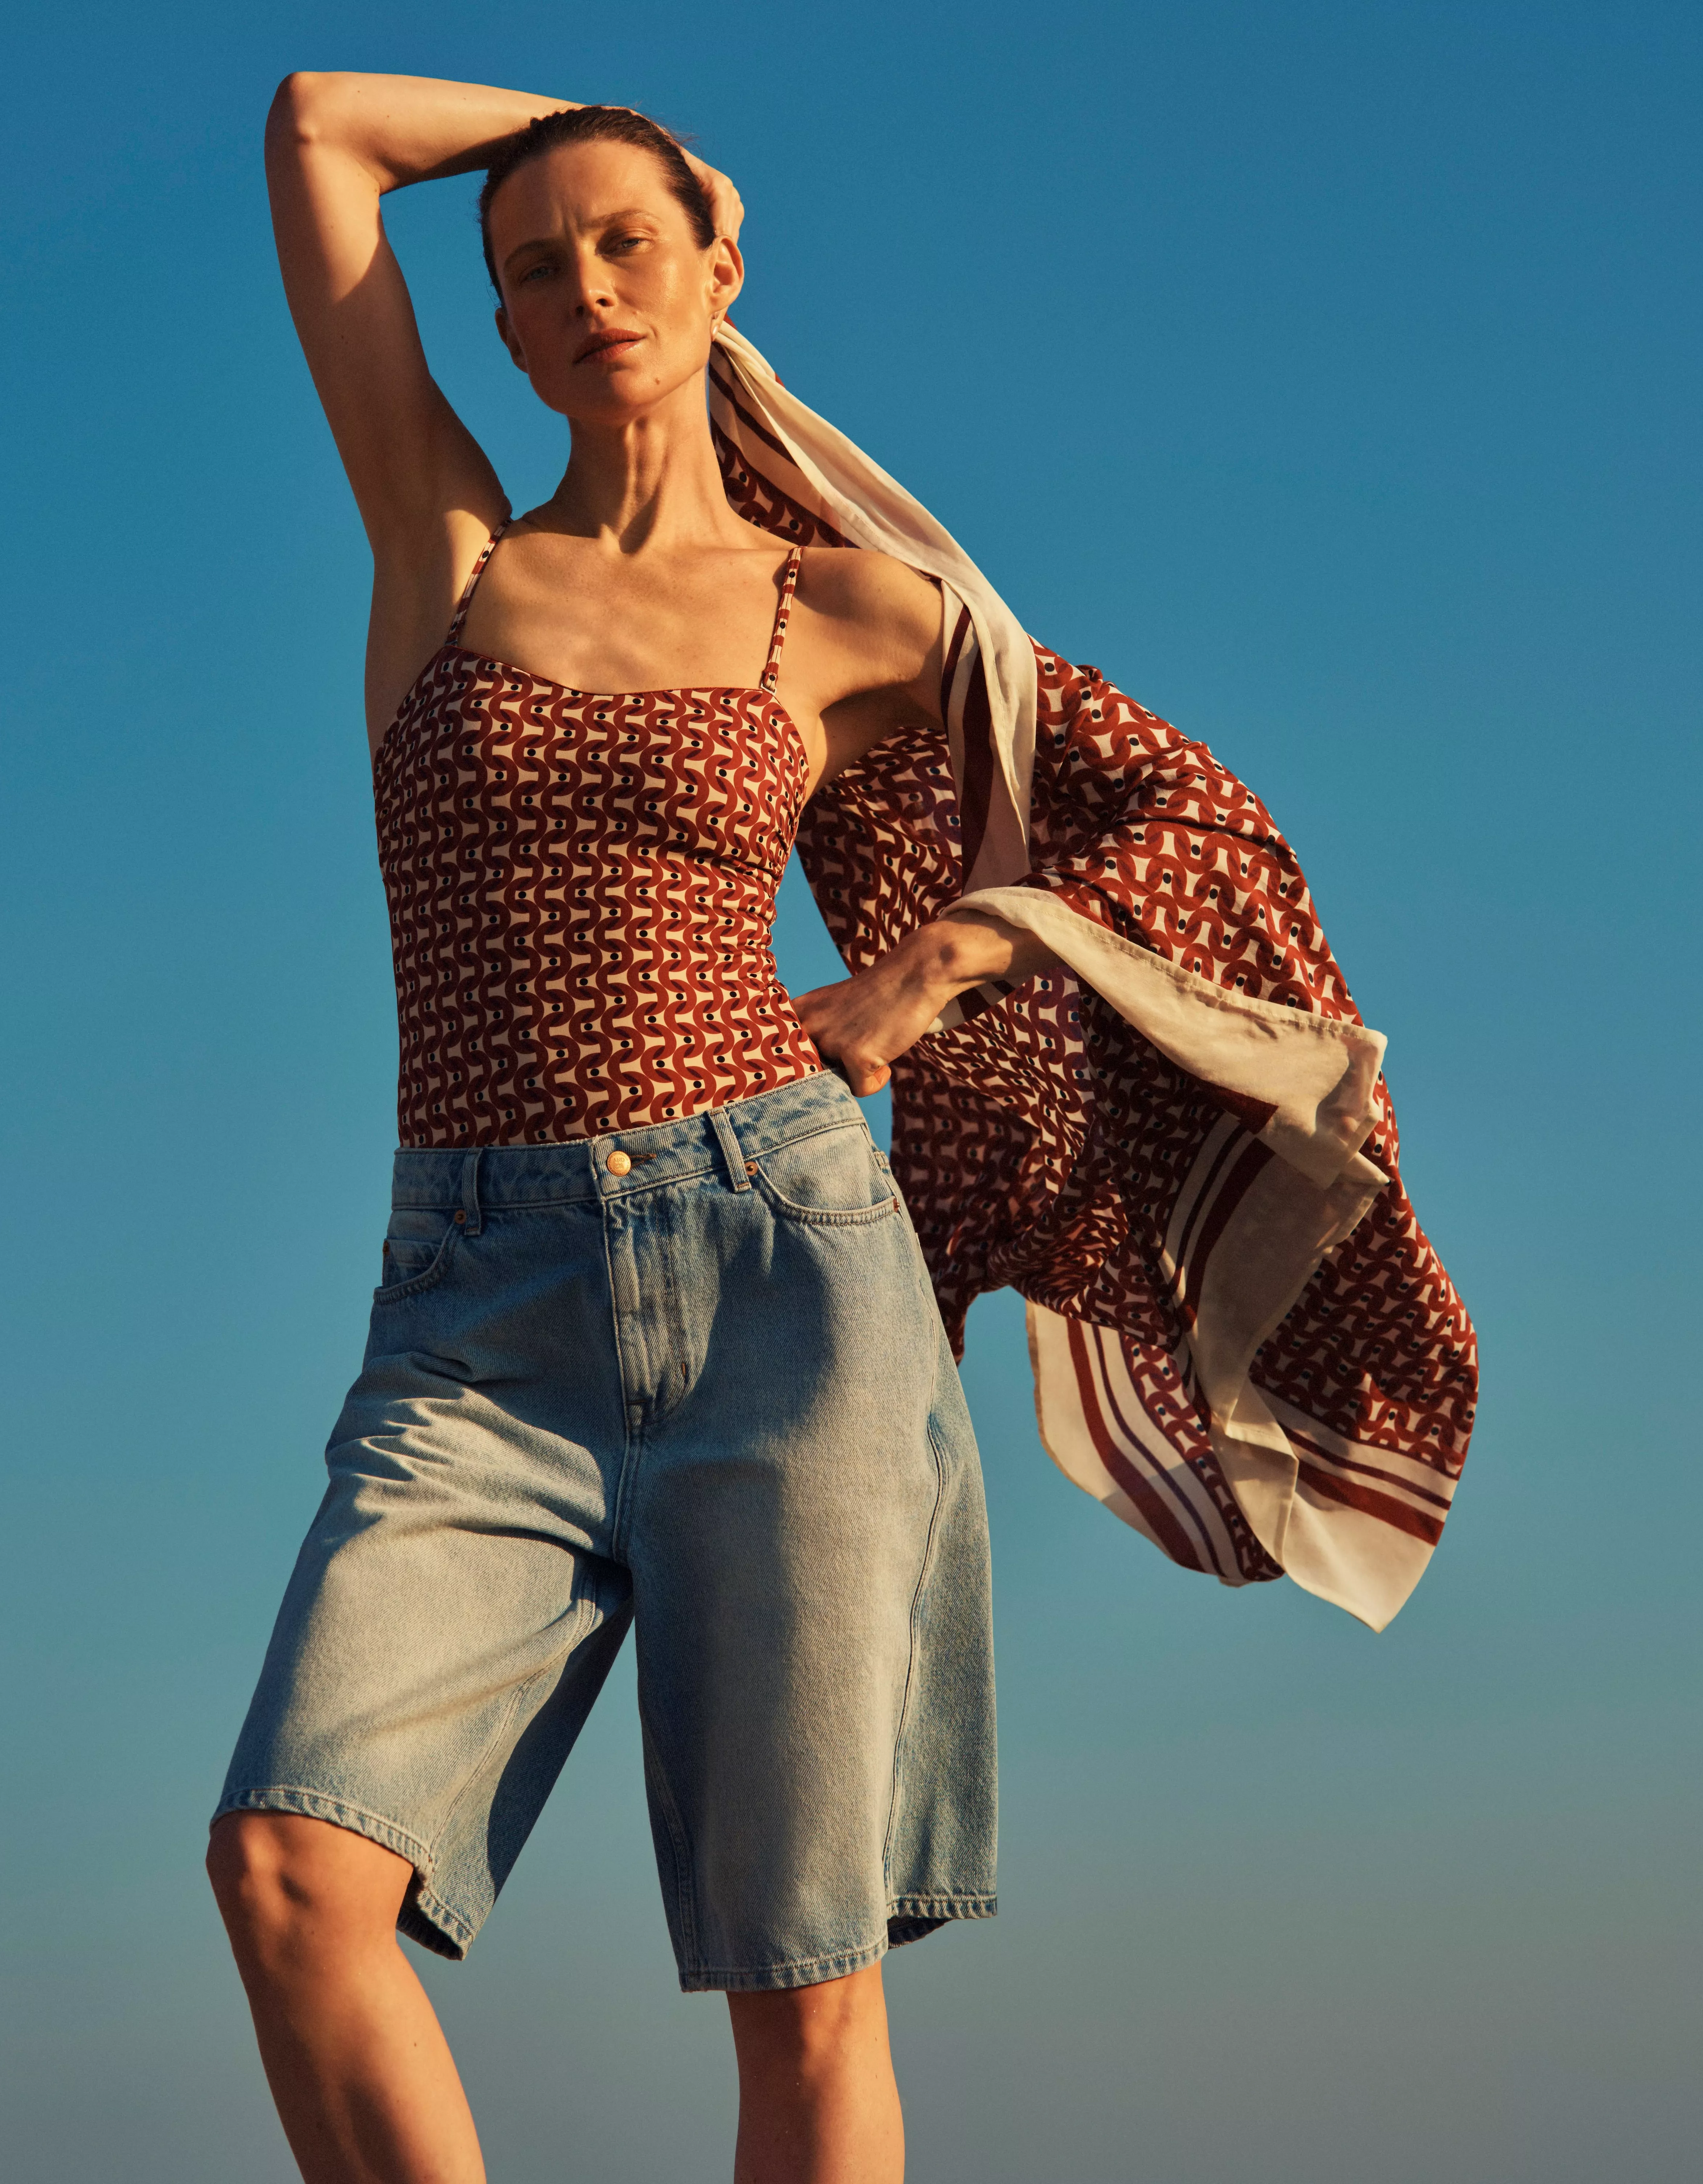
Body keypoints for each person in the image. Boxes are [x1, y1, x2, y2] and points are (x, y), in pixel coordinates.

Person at [210, 70, 1480, 2184]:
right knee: (288, 1876)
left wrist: (950, 959)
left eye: (632, 238)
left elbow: (1186, 819)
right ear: (502, 339)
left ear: (722, 271)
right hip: (472, 1314)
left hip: (787, 1277)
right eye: (538, 266)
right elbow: (323, 125)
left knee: (802, 1984)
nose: (588, 282)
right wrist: (610, 125)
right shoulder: (438, 545)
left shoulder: (855, 613)